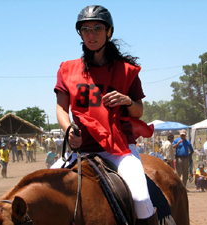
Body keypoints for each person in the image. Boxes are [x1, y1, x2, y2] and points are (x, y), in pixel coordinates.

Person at [52, 5, 158, 224]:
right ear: (80, 34)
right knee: (45, 190)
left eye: (97, 28)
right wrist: (69, 128)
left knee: (140, 198)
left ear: (109, 32)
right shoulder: (67, 69)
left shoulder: (127, 69)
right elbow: (62, 108)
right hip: (80, 150)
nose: (91, 34)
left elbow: (139, 110)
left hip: (118, 149)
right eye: (86, 29)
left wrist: (127, 101)